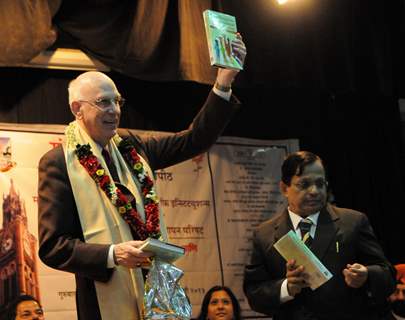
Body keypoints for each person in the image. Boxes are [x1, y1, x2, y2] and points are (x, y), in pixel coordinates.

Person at [37, 38, 246, 320]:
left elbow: (193, 141)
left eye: (117, 101)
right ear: (77, 109)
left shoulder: (131, 147)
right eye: (102, 102)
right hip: (104, 298)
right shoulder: (59, 163)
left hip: (158, 292)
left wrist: (223, 82)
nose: (114, 110)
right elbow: (53, 247)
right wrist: (112, 253)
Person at [243, 151, 396, 320]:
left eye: (320, 183)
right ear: (284, 188)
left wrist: (367, 275)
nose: (314, 191)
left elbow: (388, 275)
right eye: (304, 184)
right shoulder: (264, 234)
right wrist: (286, 287)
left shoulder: (352, 222)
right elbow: (254, 293)